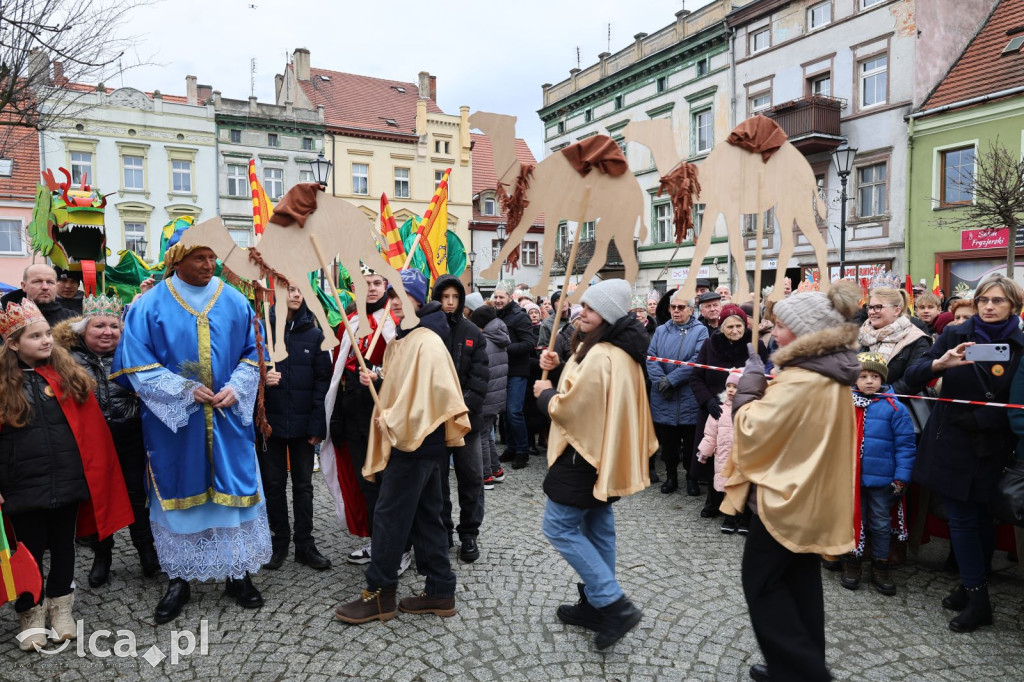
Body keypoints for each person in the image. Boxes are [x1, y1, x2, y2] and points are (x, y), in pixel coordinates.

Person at [111, 229, 272, 624]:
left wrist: (238, 387)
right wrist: (182, 390)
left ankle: (239, 573)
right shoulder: (148, 305)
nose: (209, 265)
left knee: (231, 498)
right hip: (174, 428)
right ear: (176, 261)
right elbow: (135, 362)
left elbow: (255, 352)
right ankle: (180, 579)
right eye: (199, 258)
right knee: (180, 502)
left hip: (227, 422)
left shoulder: (235, 300)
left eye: (212, 257)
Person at [723, 280, 861, 682]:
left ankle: (803, 670)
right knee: (799, 581)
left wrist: (749, 388)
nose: (773, 331)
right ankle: (799, 663)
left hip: (788, 496)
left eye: (780, 325)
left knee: (762, 581)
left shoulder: (804, 379)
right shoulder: (823, 372)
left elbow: (752, 430)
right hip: (808, 489)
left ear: (802, 332)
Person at [334, 270, 470, 624]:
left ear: (417, 298)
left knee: (389, 516)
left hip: (416, 441)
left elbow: (432, 396)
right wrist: (379, 376)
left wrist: (391, 419)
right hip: (416, 443)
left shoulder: (426, 339)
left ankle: (380, 593)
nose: (394, 299)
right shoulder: (405, 337)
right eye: (391, 293)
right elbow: (403, 384)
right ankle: (441, 590)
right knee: (426, 519)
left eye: (402, 293)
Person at [0, 300, 132, 651]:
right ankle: (29, 611)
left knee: (63, 547)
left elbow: (89, 432)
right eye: (35, 336)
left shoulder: (66, 375)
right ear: (13, 343)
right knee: (25, 551)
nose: (46, 341)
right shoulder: (2, 385)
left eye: (47, 334)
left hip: (68, 481)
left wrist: (91, 474)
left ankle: (61, 608)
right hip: (22, 485)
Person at [533, 278, 655, 650]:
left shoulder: (603, 354)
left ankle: (613, 604)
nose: (580, 312)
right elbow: (585, 383)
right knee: (598, 526)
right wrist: (559, 364)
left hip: (582, 454)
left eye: (590, 308)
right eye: (581, 305)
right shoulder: (610, 348)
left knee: (558, 527)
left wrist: (546, 393)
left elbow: (574, 408)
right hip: (603, 453)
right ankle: (594, 607)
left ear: (609, 315)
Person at [905, 275, 1024, 633]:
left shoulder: (1019, 345)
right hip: (952, 440)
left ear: (1014, 307)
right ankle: (977, 597)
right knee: (960, 517)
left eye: (998, 301)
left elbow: (1016, 400)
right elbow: (913, 375)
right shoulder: (955, 335)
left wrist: (986, 417)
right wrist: (939, 365)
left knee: (983, 517)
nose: (989, 306)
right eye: (984, 299)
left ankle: (973, 585)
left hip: (993, 443)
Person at [53, 295, 158, 587]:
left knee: (137, 494)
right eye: (99, 325)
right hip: (90, 441)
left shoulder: (134, 353)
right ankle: (103, 557)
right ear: (84, 329)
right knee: (98, 496)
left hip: (130, 435)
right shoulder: (65, 359)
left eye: (114, 326)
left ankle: (146, 550)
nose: (107, 332)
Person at [329, 266, 399, 566]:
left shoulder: (394, 323)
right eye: (365, 283)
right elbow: (337, 372)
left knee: (388, 482)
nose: (371, 288)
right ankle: (374, 540)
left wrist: (379, 375)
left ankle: (398, 544)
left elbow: (403, 370)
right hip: (354, 415)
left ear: (386, 286)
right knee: (364, 481)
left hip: (383, 415)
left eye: (377, 283)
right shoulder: (348, 323)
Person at [260, 283, 332, 571]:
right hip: (271, 426)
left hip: (303, 426)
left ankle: (305, 545)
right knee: (274, 486)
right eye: (289, 288)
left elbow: (322, 382)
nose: (296, 294)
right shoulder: (263, 333)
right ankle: (279, 543)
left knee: (303, 487)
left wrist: (317, 424)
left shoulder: (315, 336)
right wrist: (262, 380)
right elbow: (245, 371)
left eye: (300, 289)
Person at [840, 353, 916, 596]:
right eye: (863, 376)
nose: (869, 381)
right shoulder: (844, 404)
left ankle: (880, 564)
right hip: (851, 479)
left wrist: (901, 477)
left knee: (880, 523)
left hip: (882, 480)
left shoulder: (895, 407)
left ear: (882, 379)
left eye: (874, 376)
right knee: (852, 521)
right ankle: (852, 561)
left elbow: (905, 446)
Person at [431, 275, 489, 563]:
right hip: (436, 420)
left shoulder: (473, 333)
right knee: (437, 480)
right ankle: (443, 531)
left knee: (471, 478)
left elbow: (480, 378)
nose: (450, 302)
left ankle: (469, 533)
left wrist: (460, 408)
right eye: (445, 297)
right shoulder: (429, 331)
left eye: (455, 297)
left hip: (467, 420)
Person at [690, 304, 766, 521]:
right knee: (715, 456)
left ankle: (741, 506)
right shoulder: (709, 345)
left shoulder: (756, 345)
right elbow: (696, 377)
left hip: (745, 412)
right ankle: (714, 500)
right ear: (721, 328)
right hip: (714, 411)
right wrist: (708, 401)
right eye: (730, 326)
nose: (735, 330)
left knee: (741, 459)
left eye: (739, 326)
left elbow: (765, 377)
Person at [646, 293, 708, 495]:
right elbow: (651, 357)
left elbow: (697, 359)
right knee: (669, 444)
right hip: (663, 396)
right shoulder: (661, 330)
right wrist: (660, 381)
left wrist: (672, 380)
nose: (676, 311)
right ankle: (671, 476)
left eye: (681, 307)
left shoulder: (701, 331)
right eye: (673, 307)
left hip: (688, 396)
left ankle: (691, 478)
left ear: (691, 309)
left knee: (690, 444)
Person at [493, 281, 537, 470]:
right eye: (496, 297)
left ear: (510, 297)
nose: (497, 300)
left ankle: (522, 451)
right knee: (505, 413)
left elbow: (529, 343)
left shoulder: (520, 316)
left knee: (514, 412)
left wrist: (506, 349)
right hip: (502, 370)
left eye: (501, 297)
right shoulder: (496, 315)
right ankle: (511, 448)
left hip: (518, 371)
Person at [858, 287, 931, 397]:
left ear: (896, 310)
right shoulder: (862, 335)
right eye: (870, 307)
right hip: (858, 402)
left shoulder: (917, 339)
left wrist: (882, 395)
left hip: (897, 405)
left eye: (878, 307)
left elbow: (914, 380)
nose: (872, 312)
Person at [696, 373, 741, 534]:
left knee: (739, 487)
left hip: (740, 457)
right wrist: (704, 452)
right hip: (723, 455)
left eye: (735, 387)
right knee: (725, 486)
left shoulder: (746, 410)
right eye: (729, 386)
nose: (730, 390)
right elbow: (710, 434)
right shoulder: (719, 410)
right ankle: (728, 517)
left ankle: (740, 518)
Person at [471, 305, 509, 489]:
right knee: (487, 434)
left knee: (481, 436)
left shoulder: (485, 341)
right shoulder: (499, 337)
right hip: (496, 396)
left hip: (486, 396)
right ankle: (496, 470)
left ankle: (485, 476)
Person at [0, 264, 78, 327]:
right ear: (24, 286)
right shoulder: (7, 319)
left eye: (50, 282)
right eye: (37, 282)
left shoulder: (72, 318)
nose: (45, 287)